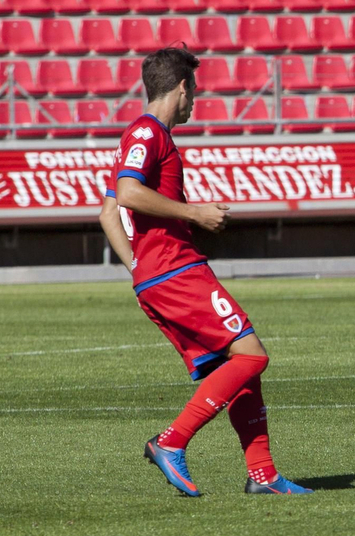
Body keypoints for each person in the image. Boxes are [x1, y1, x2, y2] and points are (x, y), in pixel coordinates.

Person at [97, 47, 309, 496]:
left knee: (240, 369)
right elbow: (129, 194)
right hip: (176, 271)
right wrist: (193, 213)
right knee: (253, 355)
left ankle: (264, 476)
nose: (195, 101)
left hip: (159, 275)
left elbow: (108, 214)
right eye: (194, 92)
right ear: (181, 87)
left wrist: (138, 268)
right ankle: (170, 442)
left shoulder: (143, 136)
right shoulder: (147, 132)